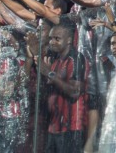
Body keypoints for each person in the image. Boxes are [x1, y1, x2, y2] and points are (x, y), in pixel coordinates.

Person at [34, 23, 89, 153]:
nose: (52, 42)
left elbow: (75, 91)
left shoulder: (76, 58)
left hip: (71, 126)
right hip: (54, 125)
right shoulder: (56, 61)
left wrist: (49, 73)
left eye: (57, 39)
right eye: (51, 38)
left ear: (69, 40)